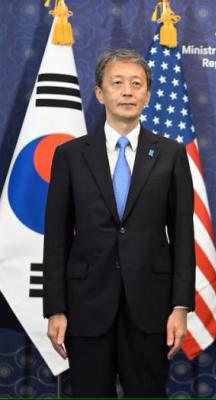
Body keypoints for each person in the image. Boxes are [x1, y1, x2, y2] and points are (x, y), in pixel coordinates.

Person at [43, 48, 195, 397]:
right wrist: (56, 307)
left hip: (151, 307)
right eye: (117, 83)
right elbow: (56, 237)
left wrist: (180, 306)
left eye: (136, 83)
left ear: (147, 94)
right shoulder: (70, 155)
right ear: (100, 93)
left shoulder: (171, 153)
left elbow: (184, 236)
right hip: (86, 304)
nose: (127, 91)